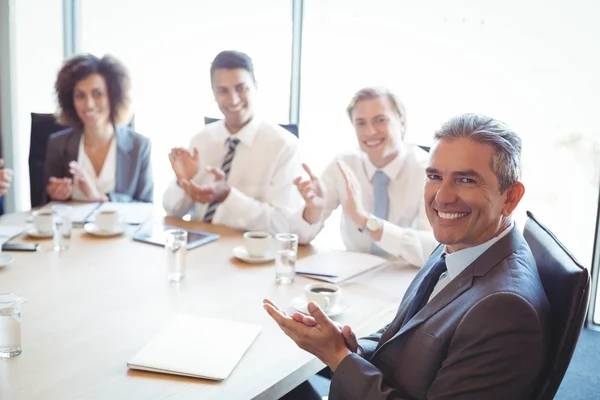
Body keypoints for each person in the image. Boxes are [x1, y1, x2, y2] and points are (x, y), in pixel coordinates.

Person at [265, 113, 551, 400]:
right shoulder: (462, 245)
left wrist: (339, 357)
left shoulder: (505, 310)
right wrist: (351, 346)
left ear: (511, 198)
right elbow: (404, 335)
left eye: (466, 180)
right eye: (435, 177)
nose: (442, 197)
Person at [293, 87, 437, 265]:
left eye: (380, 120)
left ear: (402, 123)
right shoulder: (343, 165)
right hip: (352, 276)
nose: (370, 131)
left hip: (406, 277)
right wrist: (312, 212)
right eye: (361, 123)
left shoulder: (429, 172)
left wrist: (366, 221)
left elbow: (434, 249)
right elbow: (298, 239)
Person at [162, 50, 301, 233]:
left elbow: (283, 225)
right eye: (223, 91)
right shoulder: (201, 140)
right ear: (213, 94)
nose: (233, 99)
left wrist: (228, 196)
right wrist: (183, 181)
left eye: (241, 88)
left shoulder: (284, 146)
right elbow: (173, 212)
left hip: (249, 251)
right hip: (198, 244)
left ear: (256, 87)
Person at [45, 54, 153, 203]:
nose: (89, 104)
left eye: (97, 94)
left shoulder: (139, 146)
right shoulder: (58, 144)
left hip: (119, 226)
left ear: (114, 97)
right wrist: (56, 195)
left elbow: (146, 206)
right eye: (80, 96)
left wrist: (101, 198)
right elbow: (44, 205)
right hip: (73, 226)